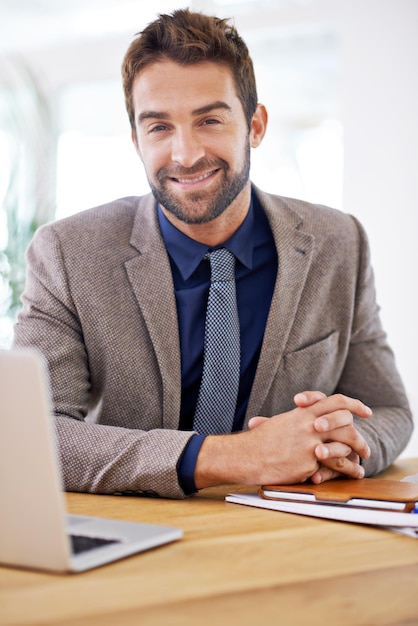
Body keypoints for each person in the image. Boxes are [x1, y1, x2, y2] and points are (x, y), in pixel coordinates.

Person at [13, 9, 412, 499]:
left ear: (256, 126)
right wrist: (234, 457)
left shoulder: (339, 242)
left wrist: (341, 447)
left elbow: (389, 410)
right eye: (159, 127)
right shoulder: (67, 253)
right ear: (136, 141)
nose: (185, 154)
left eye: (209, 120)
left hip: (278, 533)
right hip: (130, 534)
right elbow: (33, 434)